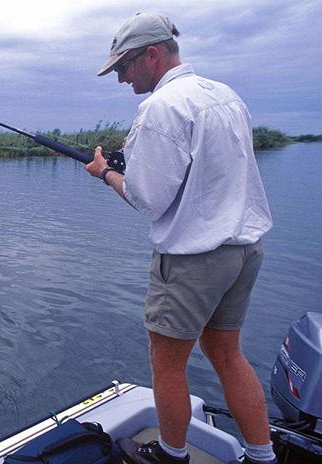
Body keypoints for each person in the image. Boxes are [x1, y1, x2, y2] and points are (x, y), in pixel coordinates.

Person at [85, 12, 276, 464]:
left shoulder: (161, 107)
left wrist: (106, 172)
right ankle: (263, 455)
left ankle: (170, 455)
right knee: (228, 353)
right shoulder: (226, 96)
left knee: (166, 360)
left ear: (151, 55)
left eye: (124, 67)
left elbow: (148, 201)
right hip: (246, 250)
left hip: (196, 260)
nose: (121, 79)